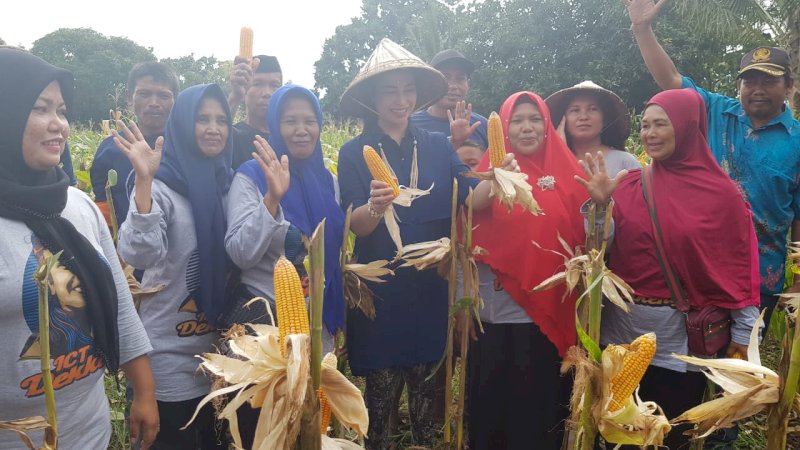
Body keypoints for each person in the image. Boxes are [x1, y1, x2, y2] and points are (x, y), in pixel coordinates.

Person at [337, 38, 517, 450]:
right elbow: (357, 227)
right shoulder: (353, 153)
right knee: (379, 411)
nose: (401, 100)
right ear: (371, 98)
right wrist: (374, 206)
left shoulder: (437, 145)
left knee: (425, 408)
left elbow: (471, 200)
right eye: (389, 91)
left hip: (429, 291)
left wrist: (500, 177)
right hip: (381, 291)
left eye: (407, 90)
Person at [576, 88, 760, 449]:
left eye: (661, 124)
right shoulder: (629, 185)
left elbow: (739, 270)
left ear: (688, 127)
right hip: (621, 336)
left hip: (681, 341)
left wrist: (741, 342)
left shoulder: (723, 196)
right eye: (645, 125)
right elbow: (600, 252)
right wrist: (599, 208)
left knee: (668, 432)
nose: (650, 133)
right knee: (616, 431)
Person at [0, 46, 158, 450]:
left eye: (62, 110)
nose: (60, 126)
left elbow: (119, 303)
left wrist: (144, 392)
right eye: (40, 108)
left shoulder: (77, 205)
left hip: (90, 431)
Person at [624, 0, 800, 329]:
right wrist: (642, 29)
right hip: (700, 267)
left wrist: (799, 281)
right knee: (696, 362)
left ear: (789, 86)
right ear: (739, 87)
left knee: (738, 371)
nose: (757, 90)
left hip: (761, 277)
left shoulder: (798, 141)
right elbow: (671, 80)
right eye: (750, 82)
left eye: (769, 82)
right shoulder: (716, 111)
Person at [224, 83, 345, 448]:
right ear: (275, 125)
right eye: (290, 120)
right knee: (267, 428)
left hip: (316, 324)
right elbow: (240, 252)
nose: (301, 129)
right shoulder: (251, 175)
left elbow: (335, 257)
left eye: (310, 120)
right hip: (270, 328)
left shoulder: (330, 181)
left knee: (312, 427)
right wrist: (273, 199)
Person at [116, 83, 234, 449]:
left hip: (217, 355)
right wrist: (145, 182)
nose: (213, 128)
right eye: (202, 119)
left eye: (221, 119)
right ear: (182, 123)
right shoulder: (159, 185)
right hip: (164, 357)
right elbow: (141, 254)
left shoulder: (227, 186)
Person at [467, 91, 586, 450]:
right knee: (493, 404)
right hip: (493, 314)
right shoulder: (485, 173)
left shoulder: (570, 173)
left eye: (535, 119)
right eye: (517, 120)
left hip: (549, 311)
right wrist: (497, 178)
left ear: (548, 125)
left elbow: (590, 236)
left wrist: (600, 205)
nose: (527, 127)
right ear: (503, 128)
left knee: (537, 403)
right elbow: (466, 224)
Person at [90, 61, 179, 228]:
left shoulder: (187, 145)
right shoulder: (112, 148)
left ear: (175, 99)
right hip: (128, 250)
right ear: (130, 97)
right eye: (144, 94)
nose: (154, 102)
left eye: (164, 96)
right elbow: (104, 212)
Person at [546, 80, 640, 176]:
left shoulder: (625, 162)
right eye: (575, 110)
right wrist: (559, 150)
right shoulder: (550, 163)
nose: (583, 117)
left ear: (605, 119)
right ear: (563, 120)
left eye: (593, 109)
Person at [410, 49, 488, 149]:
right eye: (445, 77)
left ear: (468, 84)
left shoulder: (481, 125)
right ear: (430, 83)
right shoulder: (410, 125)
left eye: (460, 78)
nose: (453, 86)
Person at [227, 54, 283, 169]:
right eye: (257, 84)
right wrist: (235, 96)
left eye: (274, 85)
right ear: (245, 89)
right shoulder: (232, 137)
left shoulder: (288, 139)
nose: (267, 92)